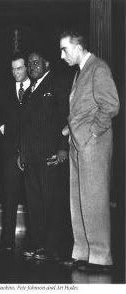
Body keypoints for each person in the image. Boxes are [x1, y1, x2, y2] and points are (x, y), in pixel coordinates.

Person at [59, 30, 119, 272]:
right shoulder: (81, 72)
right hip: (77, 144)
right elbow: (83, 109)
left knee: (94, 200)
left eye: (64, 49)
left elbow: (111, 105)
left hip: (93, 145)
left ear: (78, 46)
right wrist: (69, 129)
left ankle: (100, 257)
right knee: (78, 200)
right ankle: (83, 253)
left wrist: (92, 132)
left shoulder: (98, 68)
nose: (61, 55)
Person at [19, 50, 69, 261]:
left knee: (51, 201)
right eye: (29, 64)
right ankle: (37, 243)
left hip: (50, 155)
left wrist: (62, 148)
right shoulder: (30, 91)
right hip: (31, 157)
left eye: (36, 63)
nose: (32, 67)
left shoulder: (56, 85)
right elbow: (25, 126)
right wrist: (21, 152)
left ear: (46, 64)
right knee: (34, 202)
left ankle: (51, 246)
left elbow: (66, 117)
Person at [0, 52, 30, 253]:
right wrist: (0, 125)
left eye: (19, 68)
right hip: (10, 152)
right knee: (9, 196)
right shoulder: (4, 90)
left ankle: (35, 241)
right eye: (13, 69)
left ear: (26, 68)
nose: (16, 73)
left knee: (33, 196)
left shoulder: (35, 89)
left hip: (31, 151)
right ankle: (7, 240)